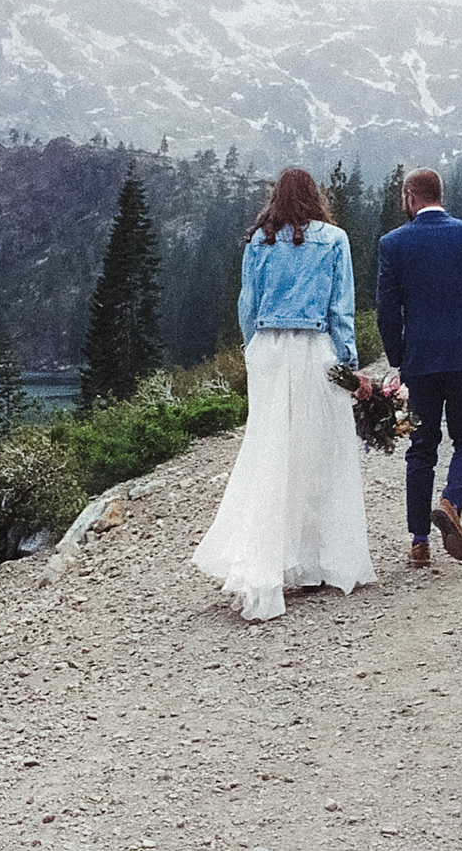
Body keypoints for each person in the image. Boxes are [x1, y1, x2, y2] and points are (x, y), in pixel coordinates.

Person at [192, 168, 377, 620]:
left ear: (276, 198)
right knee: (321, 454)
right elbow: (341, 308)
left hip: (270, 350)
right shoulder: (333, 240)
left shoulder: (260, 241)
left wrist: (251, 350)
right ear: (316, 197)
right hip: (316, 351)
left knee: (270, 453)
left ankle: (271, 561)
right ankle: (317, 563)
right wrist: (349, 365)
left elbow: (248, 305)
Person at [375, 167, 462, 567]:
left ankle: (420, 542)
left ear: (410, 197)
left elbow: (387, 309)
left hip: (420, 361)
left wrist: (398, 358)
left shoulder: (393, 243)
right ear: (440, 195)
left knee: (421, 447)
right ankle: (451, 502)